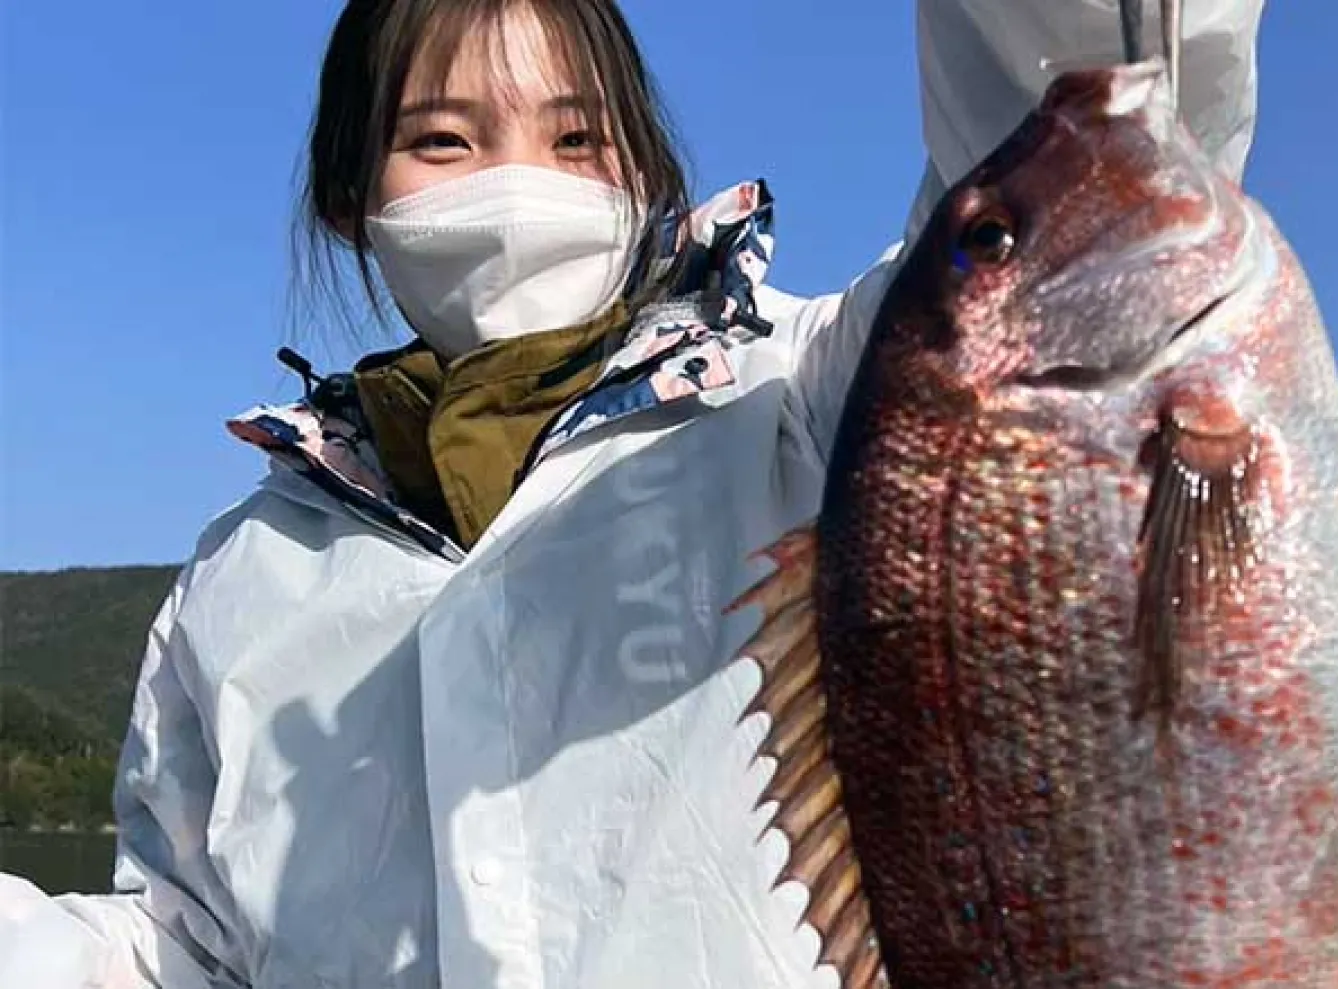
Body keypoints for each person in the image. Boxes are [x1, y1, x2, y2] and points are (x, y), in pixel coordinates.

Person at [0, 1, 1265, 985]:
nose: (519, 182)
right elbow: (187, 946)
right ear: (349, 199)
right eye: (442, 139)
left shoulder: (810, 398)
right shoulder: (242, 572)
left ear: (647, 176)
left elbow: (1060, 155)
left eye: (576, 137)